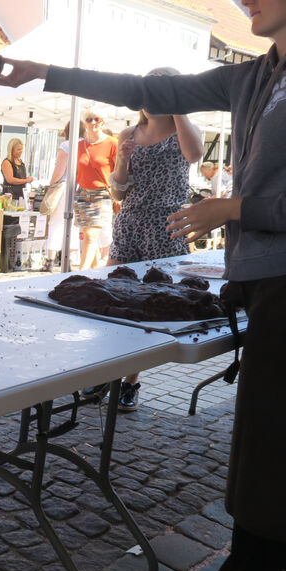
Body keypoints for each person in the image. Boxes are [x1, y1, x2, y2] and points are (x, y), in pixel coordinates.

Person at [0, 0, 286, 571]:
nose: (243, 1)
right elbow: (149, 90)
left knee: (265, 443)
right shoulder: (255, 75)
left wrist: (235, 209)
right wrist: (43, 71)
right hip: (263, 278)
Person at [105, 68, 204, 412]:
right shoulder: (129, 132)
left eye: (157, 93)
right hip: (130, 221)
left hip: (167, 224)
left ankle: (130, 381)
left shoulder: (184, 129)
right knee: (112, 296)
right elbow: (118, 190)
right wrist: (122, 159)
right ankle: (105, 371)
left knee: (151, 304)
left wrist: (177, 105)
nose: (148, 101)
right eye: (146, 93)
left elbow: (195, 155)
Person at [74, 109, 117, 270]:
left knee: (91, 235)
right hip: (82, 193)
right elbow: (76, 171)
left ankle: (81, 272)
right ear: (84, 123)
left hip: (102, 194)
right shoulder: (79, 145)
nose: (93, 122)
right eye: (89, 119)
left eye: (96, 119)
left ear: (102, 122)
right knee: (87, 235)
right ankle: (93, 272)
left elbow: (120, 171)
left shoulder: (112, 143)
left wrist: (118, 194)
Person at [46, 120, 82, 269]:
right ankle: (70, 259)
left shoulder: (67, 145)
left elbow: (59, 171)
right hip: (80, 187)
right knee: (74, 224)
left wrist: (51, 184)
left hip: (64, 187)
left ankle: (50, 260)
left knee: (56, 222)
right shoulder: (85, 144)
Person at [0, 137, 34, 203]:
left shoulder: (20, 162)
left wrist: (27, 179)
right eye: (18, 149)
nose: (21, 151)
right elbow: (10, 180)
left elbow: (19, 178)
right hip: (11, 196)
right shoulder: (7, 162)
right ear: (11, 150)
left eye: (21, 149)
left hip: (21, 195)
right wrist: (26, 180)